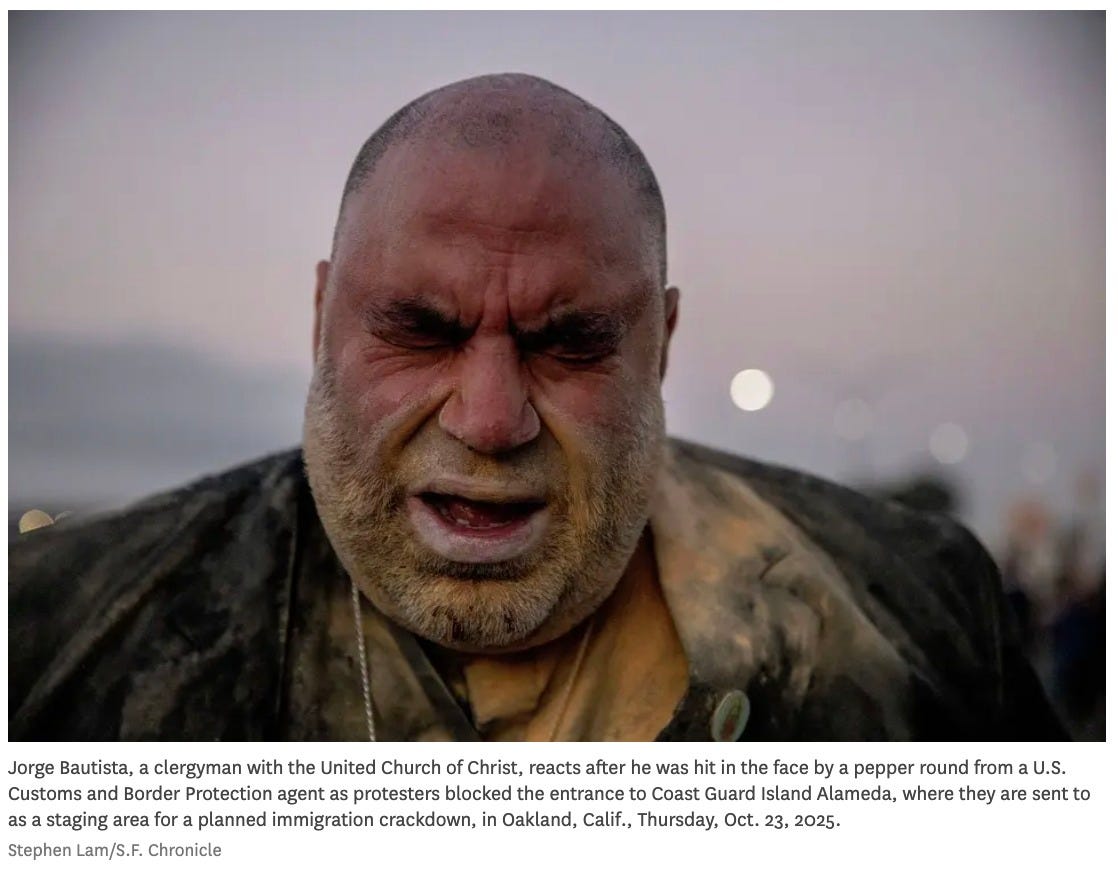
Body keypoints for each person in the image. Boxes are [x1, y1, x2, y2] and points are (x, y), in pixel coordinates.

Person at [9, 73, 1063, 742]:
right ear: (322, 316)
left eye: (570, 342)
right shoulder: (58, 637)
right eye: (419, 328)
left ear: (661, 346)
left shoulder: (917, 619)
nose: (488, 416)